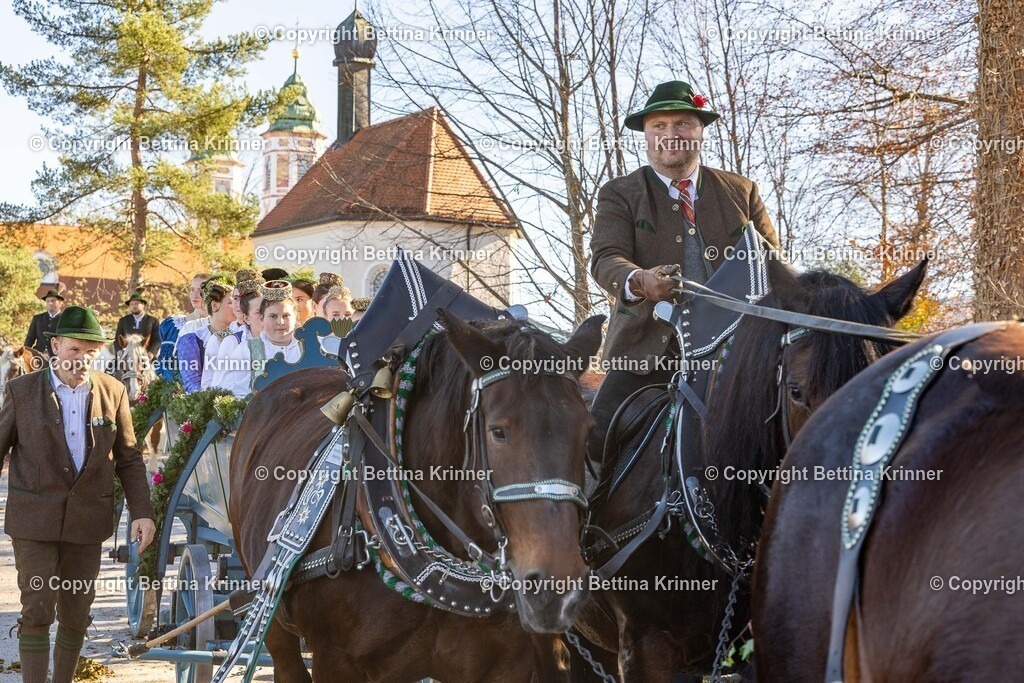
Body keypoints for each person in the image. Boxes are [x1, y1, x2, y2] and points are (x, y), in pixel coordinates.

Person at [588, 80, 779, 464]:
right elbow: (606, 258)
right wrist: (641, 281)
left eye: (682, 124)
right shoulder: (620, 192)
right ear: (646, 134)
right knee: (594, 439)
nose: (671, 135)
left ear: (700, 131)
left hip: (738, 353)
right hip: (645, 353)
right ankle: (591, 524)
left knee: (792, 429)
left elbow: (773, 263)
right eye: (659, 126)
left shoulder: (741, 191)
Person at [0, 306, 156, 683]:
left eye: (91, 351)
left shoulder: (114, 392)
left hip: (88, 521)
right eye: (74, 349)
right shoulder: (21, 391)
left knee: (76, 611)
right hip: (33, 520)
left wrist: (142, 512)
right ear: (55, 346)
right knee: (37, 606)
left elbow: (129, 459)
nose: (83, 358)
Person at [219, 280, 301, 398]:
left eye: (286, 316)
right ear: (262, 319)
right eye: (273, 316)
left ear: (295, 317)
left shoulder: (307, 346)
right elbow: (233, 393)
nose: (280, 322)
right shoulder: (247, 350)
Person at [177, 278, 233, 393]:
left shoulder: (243, 334)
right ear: (214, 306)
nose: (238, 307)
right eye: (231, 303)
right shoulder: (193, 340)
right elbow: (192, 383)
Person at [155, 272, 210, 382]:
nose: (194, 295)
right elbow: (162, 364)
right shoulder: (171, 325)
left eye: (201, 290)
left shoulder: (218, 326)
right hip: (169, 391)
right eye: (192, 289)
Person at [113, 290, 161, 360]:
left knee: (160, 368)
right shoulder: (123, 320)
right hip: (127, 354)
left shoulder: (153, 321)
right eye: (131, 304)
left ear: (143, 304)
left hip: (145, 354)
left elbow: (157, 340)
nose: (134, 306)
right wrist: (119, 350)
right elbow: (117, 339)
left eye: (136, 303)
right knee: (111, 367)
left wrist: (152, 352)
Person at [24, 288, 65, 357]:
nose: (50, 303)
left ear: (60, 302)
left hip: (57, 357)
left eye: (53, 301)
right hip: (37, 356)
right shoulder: (37, 318)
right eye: (47, 301)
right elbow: (30, 338)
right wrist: (24, 353)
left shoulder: (65, 319)